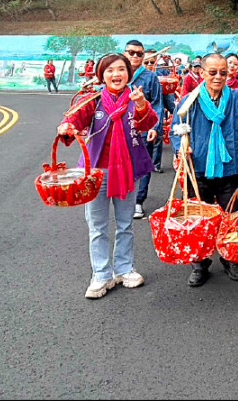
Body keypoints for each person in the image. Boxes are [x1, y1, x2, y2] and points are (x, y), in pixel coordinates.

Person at [56, 53, 158, 299]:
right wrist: (66, 127)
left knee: (126, 224)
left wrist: (142, 104)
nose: (116, 74)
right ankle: (101, 274)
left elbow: (149, 124)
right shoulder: (91, 99)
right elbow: (73, 118)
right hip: (95, 173)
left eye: (121, 69)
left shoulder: (136, 98)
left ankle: (124, 269)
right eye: (110, 70)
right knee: (97, 227)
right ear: (102, 75)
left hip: (127, 170)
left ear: (128, 73)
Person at [169, 53, 238, 285]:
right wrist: (181, 148)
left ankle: (231, 259)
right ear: (202, 72)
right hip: (197, 167)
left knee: (231, 216)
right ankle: (200, 263)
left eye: (223, 72)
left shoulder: (234, 96)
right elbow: (176, 130)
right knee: (197, 219)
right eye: (213, 72)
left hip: (228, 167)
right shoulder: (190, 99)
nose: (218, 77)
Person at [123, 40, 164, 220]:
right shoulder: (118, 74)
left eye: (139, 53)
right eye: (131, 52)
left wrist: (155, 126)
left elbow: (157, 103)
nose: (135, 56)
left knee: (143, 165)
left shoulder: (150, 77)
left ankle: (139, 201)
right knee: (122, 164)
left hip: (143, 129)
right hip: (121, 130)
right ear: (124, 53)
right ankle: (123, 197)